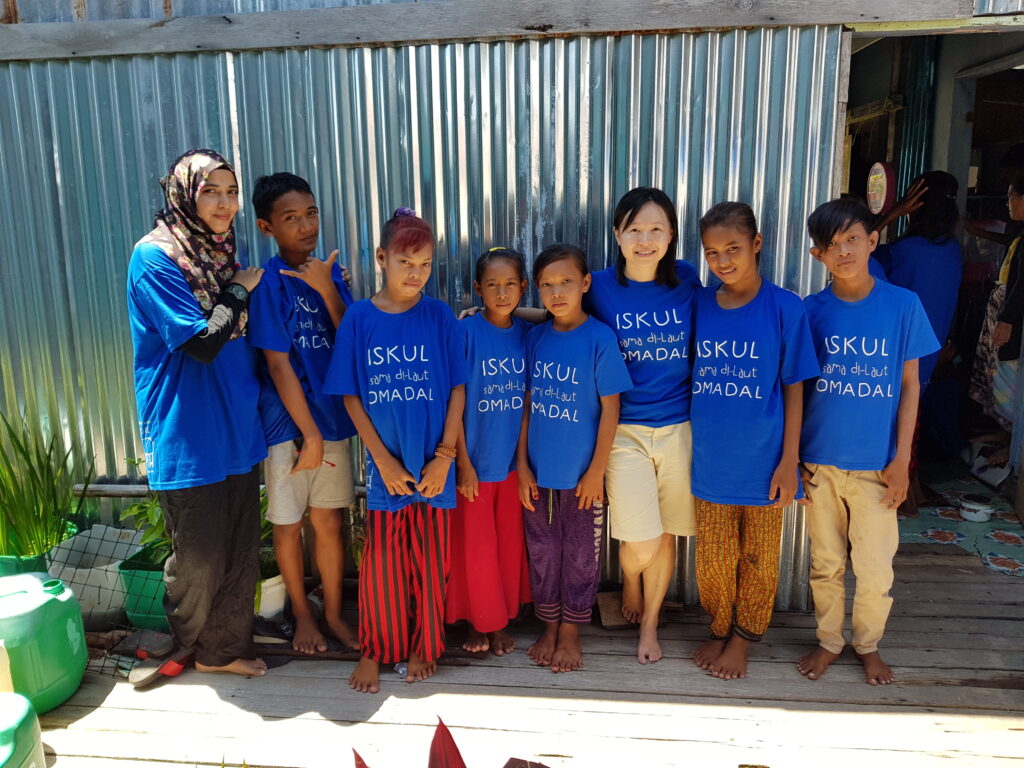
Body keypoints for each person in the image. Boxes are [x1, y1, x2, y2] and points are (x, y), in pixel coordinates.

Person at [126, 149, 268, 677]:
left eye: (231, 192)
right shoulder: (155, 257)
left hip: (236, 422)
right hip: (186, 429)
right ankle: (187, 641)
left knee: (239, 549)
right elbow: (202, 343)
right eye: (211, 191)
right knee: (199, 556)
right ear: (185, 194)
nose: (225, 203)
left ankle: (220, 653)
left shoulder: (221, 253)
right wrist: (237, 290)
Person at [325, 208, 468, 694]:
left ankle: (423, 645)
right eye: (406, 261)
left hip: (435, 466)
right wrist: (383, 461)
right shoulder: (360, 319)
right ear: (382, 258)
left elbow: (458, 389)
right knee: (382, 564)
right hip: (386, 469)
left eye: (425, 264)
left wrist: (444, 457)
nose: (416, 273)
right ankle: (375, 648)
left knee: (431, 563)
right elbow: (350, 396)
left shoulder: (439, 315)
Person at [797, 198, 939, 685]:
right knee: (826, 564)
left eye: (853, 239)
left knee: (876, 568)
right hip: (819, 463)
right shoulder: (810, 312)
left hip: (878, 466)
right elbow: (797, 388)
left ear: (873, 240)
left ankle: (868, 644)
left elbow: (910, 386)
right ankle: (828, 641)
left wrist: (903, 460)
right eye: (831, 244)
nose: (844, 251)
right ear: (817, 254)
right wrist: (794, 457)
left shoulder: (903, 306)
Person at [689, 202, 819, 680]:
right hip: (711, 459)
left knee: (760, 559)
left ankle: (744, 638)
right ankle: (720, 626)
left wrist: (790, 461)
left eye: (733, 249)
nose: (722, 261)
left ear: (756, 244)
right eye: (712, 253)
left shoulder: (785, 307)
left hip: (765, 462)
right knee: (713, 560)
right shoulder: (699, 303)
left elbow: (795, 388)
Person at [584, 187, 702, 664]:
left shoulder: (687, 281)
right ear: (618, 234)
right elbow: (560, 316)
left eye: (656, 229)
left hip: (680, 428)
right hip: (625, 431)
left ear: (671, 235)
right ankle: (630, 578)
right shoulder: (598, 285)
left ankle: (650, 624)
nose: (645, 240)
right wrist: (498, 317)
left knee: (668, 532)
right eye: (634, 229)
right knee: (642, 537)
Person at [247, 172, 358, 654]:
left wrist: (328, 289)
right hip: (288, 429)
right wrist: (307, 435)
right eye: (291, 218)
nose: (306, 225)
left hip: (332, 420)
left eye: (310, 213)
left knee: (329, 523)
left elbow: (352, 339)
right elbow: (277, 364)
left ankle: (332, 613)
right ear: (267, 227)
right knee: (289, 525)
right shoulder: (266, 284)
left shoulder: (330, 273)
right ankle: (302, 614)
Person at [518, 244, 633, 673]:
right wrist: (522, 467)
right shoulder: (535, 339)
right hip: (538, 475)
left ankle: (571, 630)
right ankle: (549, 624)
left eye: (566, 282)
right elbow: (526, 406)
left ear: (585, 283)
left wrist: (596, 471)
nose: (557, 292)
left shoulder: (599, 338)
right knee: (543, 551)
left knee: (582, 554)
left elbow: (611, 409)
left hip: (583, 477)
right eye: (547, 285)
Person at [446, 248, 532, 655]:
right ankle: (477, 623)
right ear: (478, 289)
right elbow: (456, 400)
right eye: (492, 285)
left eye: (510, 284)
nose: (502, 293)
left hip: (511, 465)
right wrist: (462, 462)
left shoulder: (528, 335)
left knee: (506, 549)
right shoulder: (465, 333)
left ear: (523, 287)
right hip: (474, 464)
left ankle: (498, 621)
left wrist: (523, 464)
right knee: (475, 551)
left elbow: (527, 404)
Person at [970, 173, 1024, 437]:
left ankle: (1013, 438)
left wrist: (1008, 319)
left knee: (1006, 374)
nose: (1007, 203)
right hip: (1005, 312)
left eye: (1011, 197)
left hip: (1011, 318)